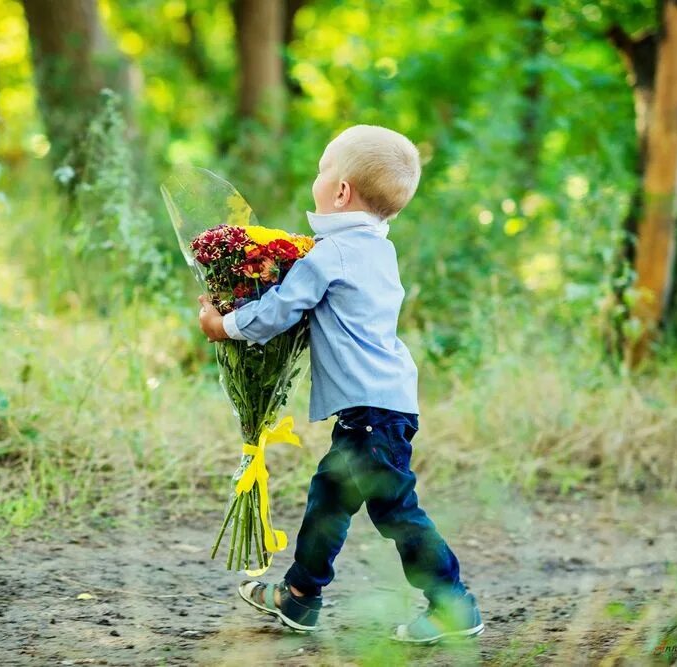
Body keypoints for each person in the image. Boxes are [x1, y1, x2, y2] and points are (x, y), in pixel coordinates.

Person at [197, 125, 484, 644]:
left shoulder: (332, 253)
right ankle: (301, 596)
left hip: (371, 412)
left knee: (396, 510)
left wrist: (225, 326)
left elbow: (282, 309)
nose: (317, 180)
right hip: (381, 408)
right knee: (330, 497)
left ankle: (452, 604)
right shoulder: (378, 251)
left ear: (342, 191)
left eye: (321, 170)